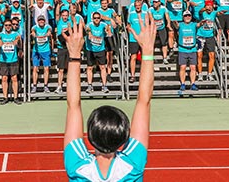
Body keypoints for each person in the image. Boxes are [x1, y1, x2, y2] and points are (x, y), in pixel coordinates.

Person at [63, 12, 155, 181]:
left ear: (90, 136)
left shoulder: (77, 166)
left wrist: (75, 56)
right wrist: (148, 51)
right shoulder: (133, 165)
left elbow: (73, 105)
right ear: (124, 135)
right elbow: (144, 100)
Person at [0, 19, 22, 105]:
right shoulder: (0, 35)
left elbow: (19, 42)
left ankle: (15, 97)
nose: (8, 27)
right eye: (6, 25)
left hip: (13, 59)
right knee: (4, 78)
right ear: (4, 26)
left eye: (9, 25)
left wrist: (17, 42)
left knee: (14, 78)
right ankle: (5, 97)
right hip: (3, 60)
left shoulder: (16, 34)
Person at [85, 12, 112, 93]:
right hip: (90, 49)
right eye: (95, 18)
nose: (96, 19)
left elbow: (108, 27)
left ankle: (104, 86)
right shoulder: (89, 25)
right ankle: (90, 85)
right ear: (93, 19)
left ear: (100, 19)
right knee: (90, 67)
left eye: (98, 18)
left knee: (102, 67)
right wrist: (89, 33)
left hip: (100, 49)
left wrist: (108, 31)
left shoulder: (103, 24)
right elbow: (87, 29)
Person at [177, 10, 199, 96]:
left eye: (189, 16)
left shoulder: (193, 24)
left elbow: (199, 24)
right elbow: (175, 25)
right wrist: (174, 21)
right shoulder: (181, 25)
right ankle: (183, 84)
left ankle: (192, 84)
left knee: (193, 67)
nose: (187, 17)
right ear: (183, 17)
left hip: (192, 49)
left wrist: (202, 22)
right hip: (182, 49)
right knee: (182, 67)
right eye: (186, 16)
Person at [30, 15, 53, 93]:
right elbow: (32, 30)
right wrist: (34, 34)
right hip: (36, 50)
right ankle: (34, 86)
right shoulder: (35, 27)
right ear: (37, 21)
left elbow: (50, 30)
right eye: (40, 20)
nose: (41, 22)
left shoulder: (47, 26)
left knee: (46, 68)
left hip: (46, 51)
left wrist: (48, 33)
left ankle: (46, 86)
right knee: (35, 68)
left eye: (42, 20)